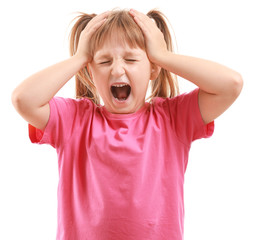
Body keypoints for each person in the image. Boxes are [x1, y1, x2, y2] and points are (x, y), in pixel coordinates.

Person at [11, 8, 243, 240]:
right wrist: (80, 58)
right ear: (90, 72)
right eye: (103, 61)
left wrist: (162, 56)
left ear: (152, 67)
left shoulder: (173, 119)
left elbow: (231, 85)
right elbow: (24, 99)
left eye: (131, 59)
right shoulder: (75, 120)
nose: (117, 69)